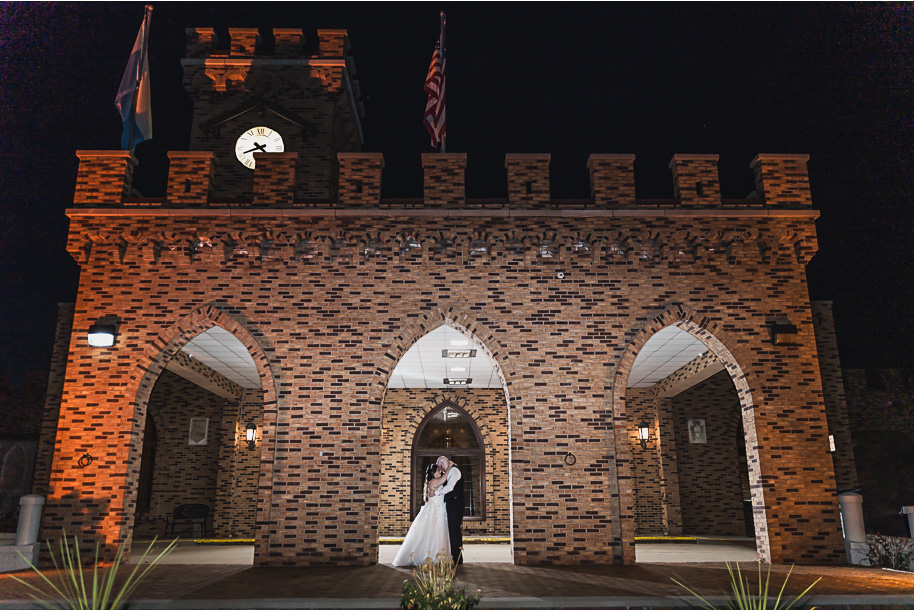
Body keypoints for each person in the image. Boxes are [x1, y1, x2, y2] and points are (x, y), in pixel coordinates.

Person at [392, 463, 450, 567]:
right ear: (432, 473)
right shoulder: (434, 482)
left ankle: (437, 555)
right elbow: (444, 479)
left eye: (439, 470)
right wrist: (450, 467)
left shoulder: (434, 482)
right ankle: (430, 556)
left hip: (439, 510)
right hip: (434, 511)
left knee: (436, 534)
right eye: (437, 470)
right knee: (432, 534)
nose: (440, 472)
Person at [437, 455, 464, 564]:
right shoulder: (450, 470)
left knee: (454, 530)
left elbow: (450, 488)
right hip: (452, 502)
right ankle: (456, 555)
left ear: (443, 464)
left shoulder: (454, 471)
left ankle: (457, 557)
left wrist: (437, 492)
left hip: (455, 503)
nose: (440, 470)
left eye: (440, 467)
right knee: (453, 530)